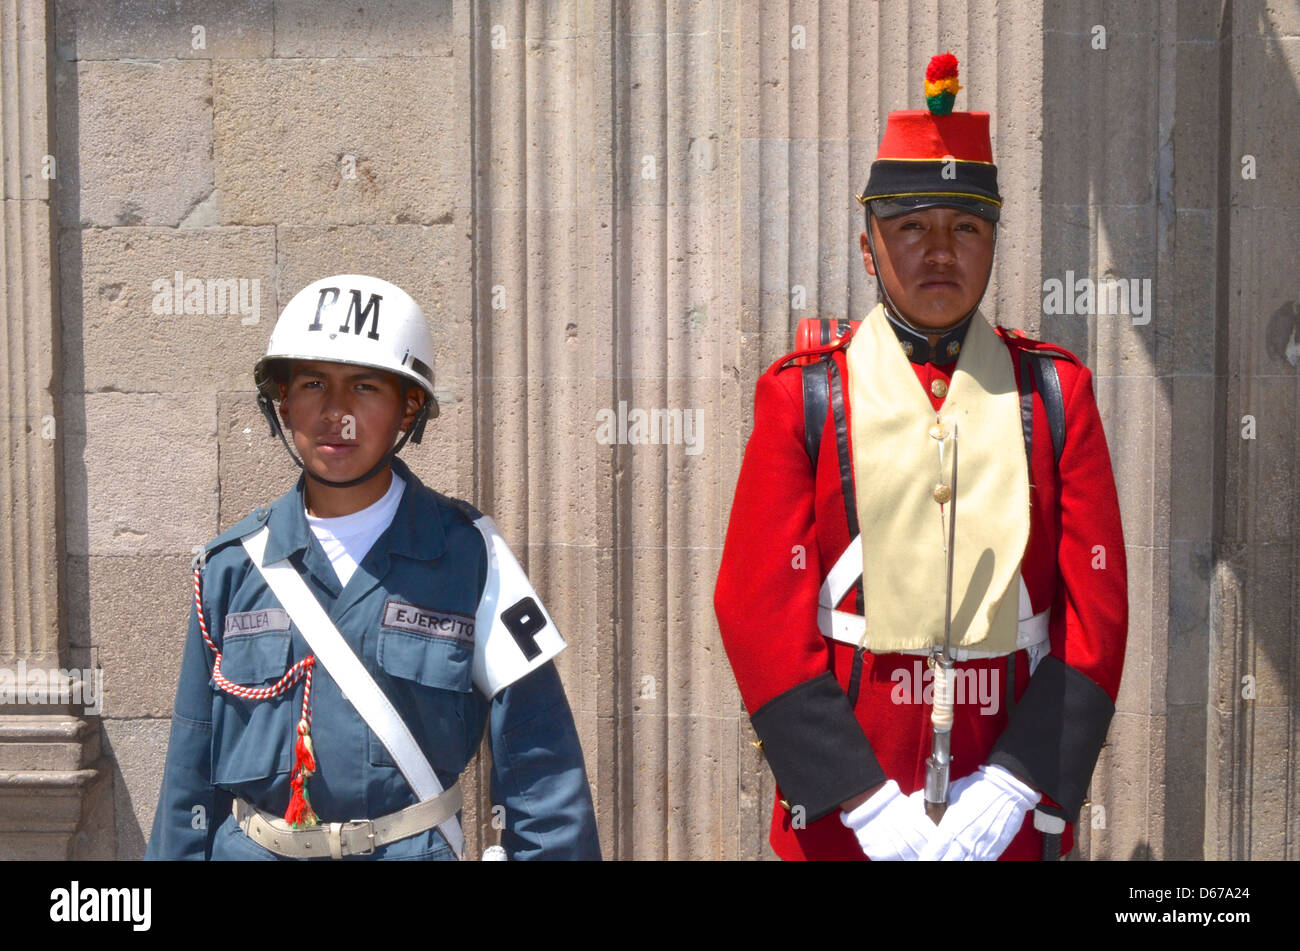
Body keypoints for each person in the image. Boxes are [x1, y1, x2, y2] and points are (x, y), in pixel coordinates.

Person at [714, 54, 1127, 861]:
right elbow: (756, 611)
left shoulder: (1054, 393)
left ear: (994, 244)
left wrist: (1014, 785)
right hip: (846, 812)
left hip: (1006, 796)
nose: (940, 250)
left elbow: (1095, 616)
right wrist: (860, 799)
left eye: (966, 227)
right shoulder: (804, 396)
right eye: (912, 226)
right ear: (870, 246)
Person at [145, 274, 600, 860]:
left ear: (409, 406)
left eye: (364, 387)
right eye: (312, 384)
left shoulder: (471, 558)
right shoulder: (229, 568)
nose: (337, 413)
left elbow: (542, 765)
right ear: (282, 402)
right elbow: (190, 771)